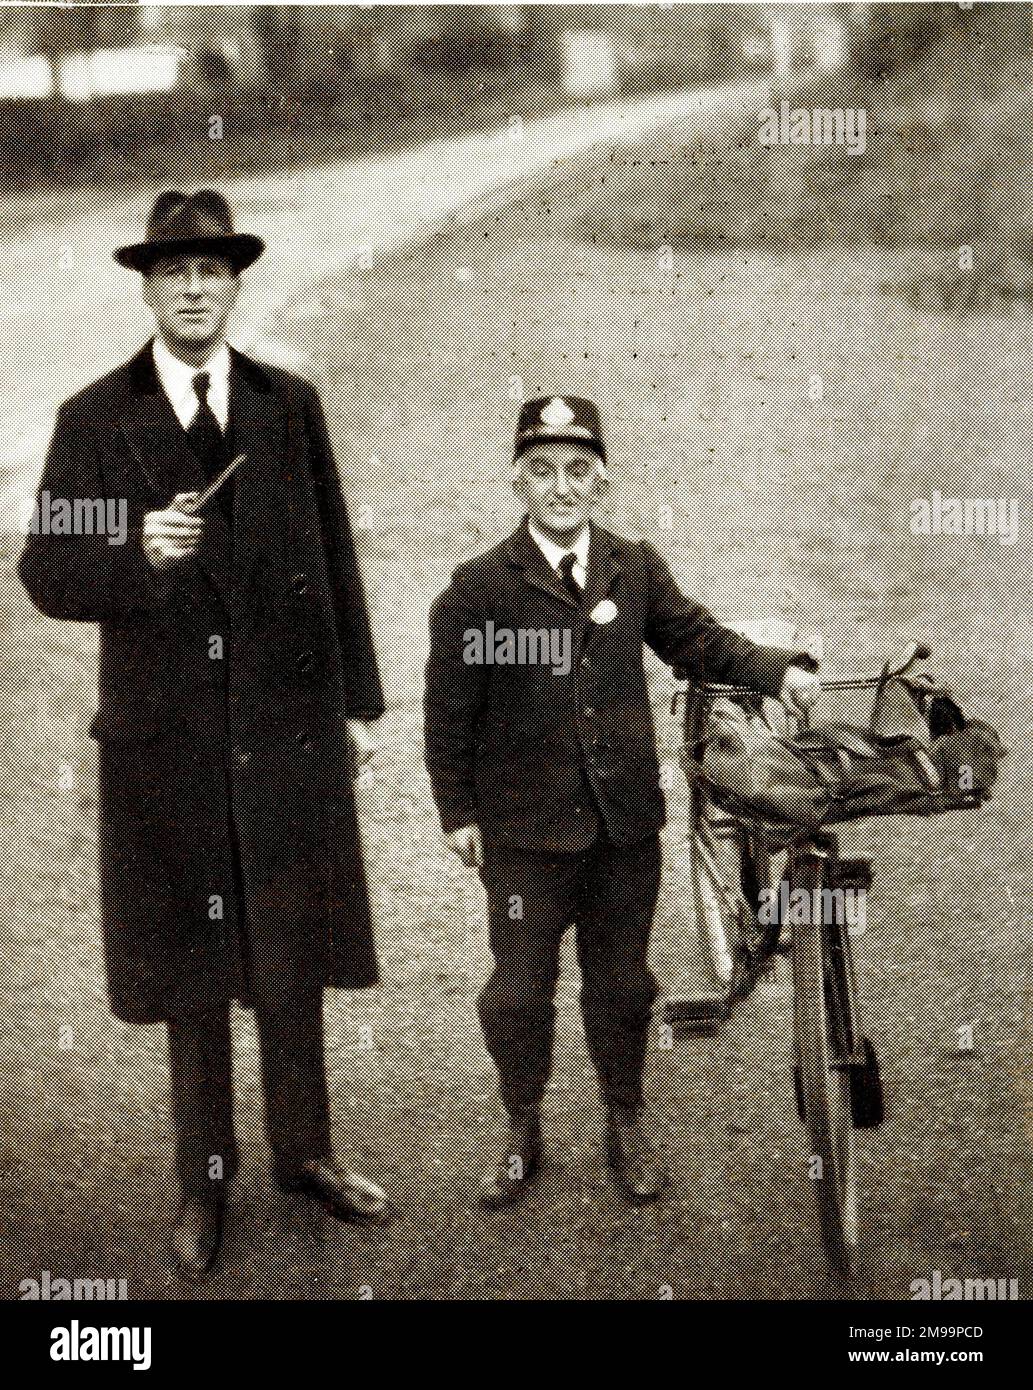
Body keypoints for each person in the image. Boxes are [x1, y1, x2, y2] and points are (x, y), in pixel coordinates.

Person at [19, 190, 394, 1281]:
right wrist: (136, 551)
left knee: (289, 954)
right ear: (146, 286)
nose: (193, 287)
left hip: (282, 730)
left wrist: (356, 708)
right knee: (193, 970)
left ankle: (307, 1152)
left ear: (235, 286)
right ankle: (205, 1184)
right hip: (167, 741)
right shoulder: (94, 420)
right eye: (174, 270)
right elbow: (45, 568)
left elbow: (331, 559)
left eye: (213, 270)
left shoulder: (288, 405)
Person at [423, 395, 821, 1209]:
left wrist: (779, 669)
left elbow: (698, 640)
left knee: (622, 985)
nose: (560, 489)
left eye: (577, 472)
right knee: (517, 991)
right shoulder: (477, 590)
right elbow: (448, 713)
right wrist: (458, 814)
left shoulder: (630, 566)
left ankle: (623, 1118)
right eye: (542, 472)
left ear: (599, 482)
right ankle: (522, 1124)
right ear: (517, 482)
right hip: (525, 836)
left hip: (621, 828)